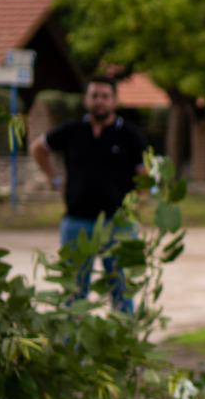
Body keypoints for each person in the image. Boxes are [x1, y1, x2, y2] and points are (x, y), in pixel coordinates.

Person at [30, 74, 147, 313]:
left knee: (121, 290)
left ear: (114, 101)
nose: (99, 101)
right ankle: (70, 348)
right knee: (73, 290)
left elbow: (144, 176)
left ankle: (122, 347)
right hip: (77, 222)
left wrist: (136, 206)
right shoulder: (73, 131)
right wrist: (55, 178)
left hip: (117, 225)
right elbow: (38, 148)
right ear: (86, 99)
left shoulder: (130, 135)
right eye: (95, 96)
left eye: (105, 96)